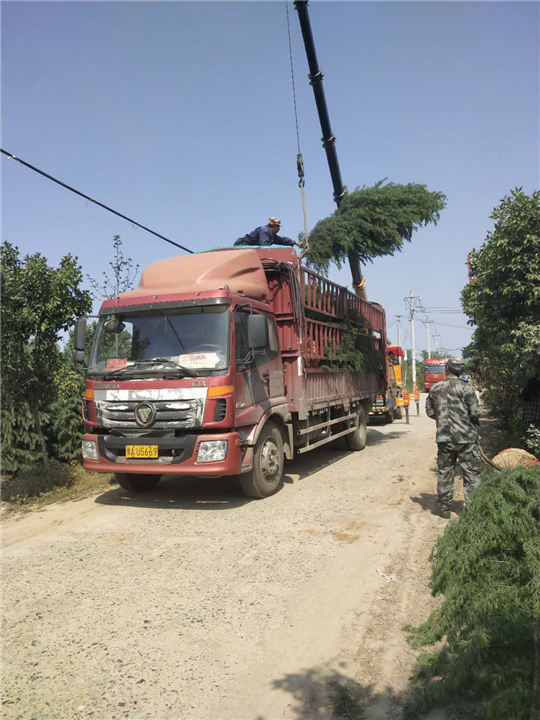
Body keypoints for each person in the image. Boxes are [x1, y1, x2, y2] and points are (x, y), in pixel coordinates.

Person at [425, 356, 481, 519]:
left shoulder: (436, 388)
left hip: (444, 439)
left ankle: (444, 507)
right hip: (466, 439)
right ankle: (473, 508)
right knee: (471, 472)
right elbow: (475, 413)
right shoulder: (466, 388)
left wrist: (443, 419)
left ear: (447, 369)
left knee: (445, 471)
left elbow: (430, 412)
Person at [235, 217, 303, 249]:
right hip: (242, 246)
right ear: (273, 226)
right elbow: (264, 247)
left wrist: (295, 242)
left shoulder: (271, 235)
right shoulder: (264, 231)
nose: (279, 229)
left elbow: (282, 240)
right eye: (278, 227)